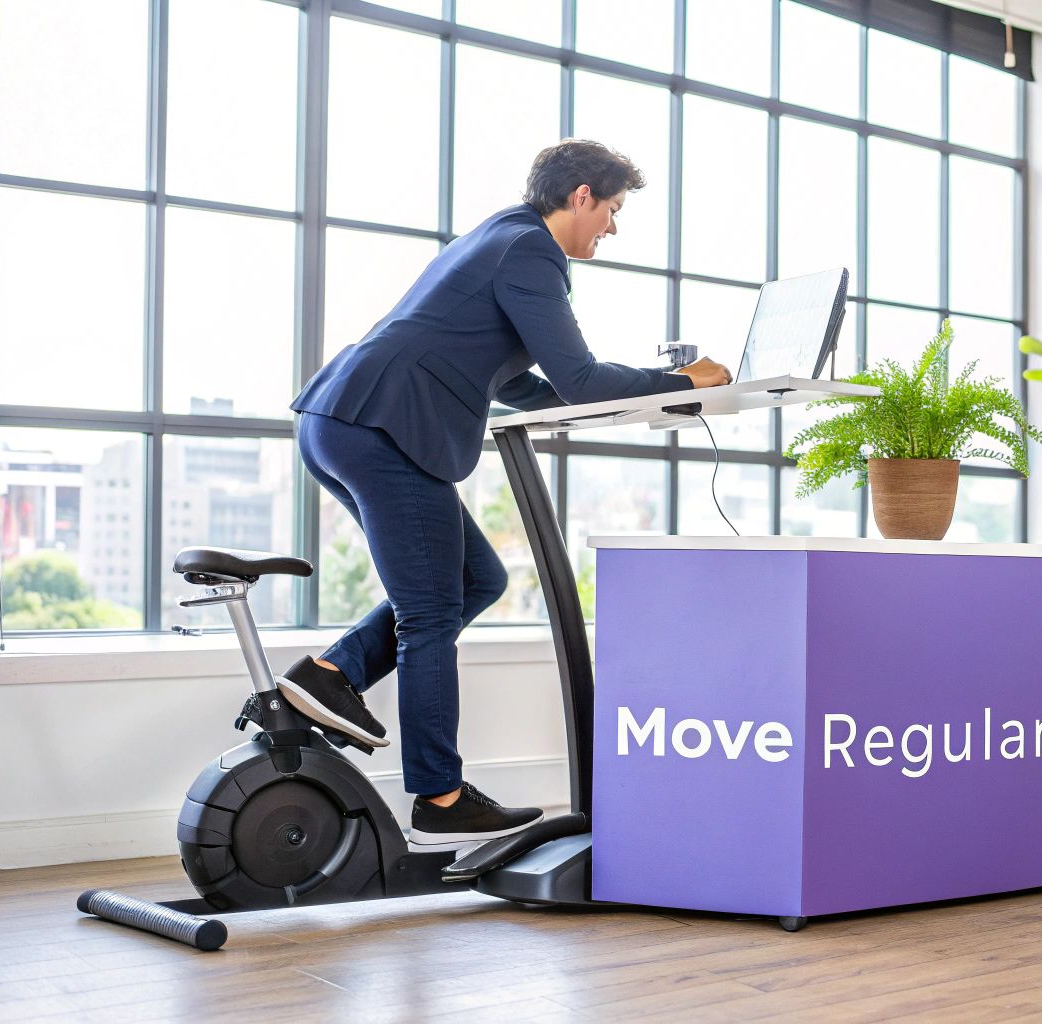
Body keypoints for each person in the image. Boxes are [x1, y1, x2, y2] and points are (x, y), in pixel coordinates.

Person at [286, 139, 731, 845]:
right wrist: (685, 382)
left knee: (477, 578)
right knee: (430, 612)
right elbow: (580, 379)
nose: (612, 228)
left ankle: (331, 672)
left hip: (344, 419)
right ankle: (438, 797)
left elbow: (521, 382)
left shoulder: (501, 236)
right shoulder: (531, 253)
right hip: (382, 426)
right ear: (581, 195)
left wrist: (624, 397)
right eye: (612, 210)